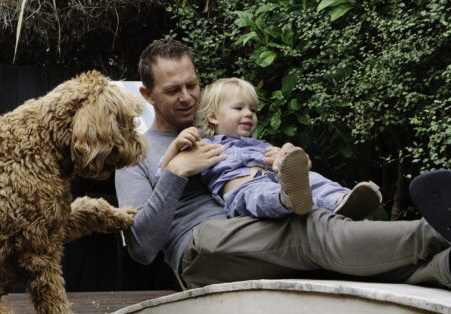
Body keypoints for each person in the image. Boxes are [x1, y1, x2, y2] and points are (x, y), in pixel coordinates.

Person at [114, 38, 450, 290]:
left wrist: (284, 161)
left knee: (332, 262)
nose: (187, 97)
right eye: (174, 90)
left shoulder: (221, 131)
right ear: (147, 94)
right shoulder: (134, 155)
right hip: (199, 247)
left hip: (256, 226)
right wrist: (175, 173)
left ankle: (442, 267)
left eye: (192, 85)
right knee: (310, 230)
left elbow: (256, 178)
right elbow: (142, 249)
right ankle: (433, 231)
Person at [157, 77, 382, 220]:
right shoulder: (205, 145)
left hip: (278, 179)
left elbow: (290, 167)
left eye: (253, 110)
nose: (249, 114)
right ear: (213, 117)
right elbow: (163, 175)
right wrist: (175, 147)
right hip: (241, 189)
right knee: (260, 195)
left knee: (311, 177)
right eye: (239, 108)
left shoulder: (262, 145)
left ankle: (343, 201)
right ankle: (287, 199)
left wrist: (289, 158)